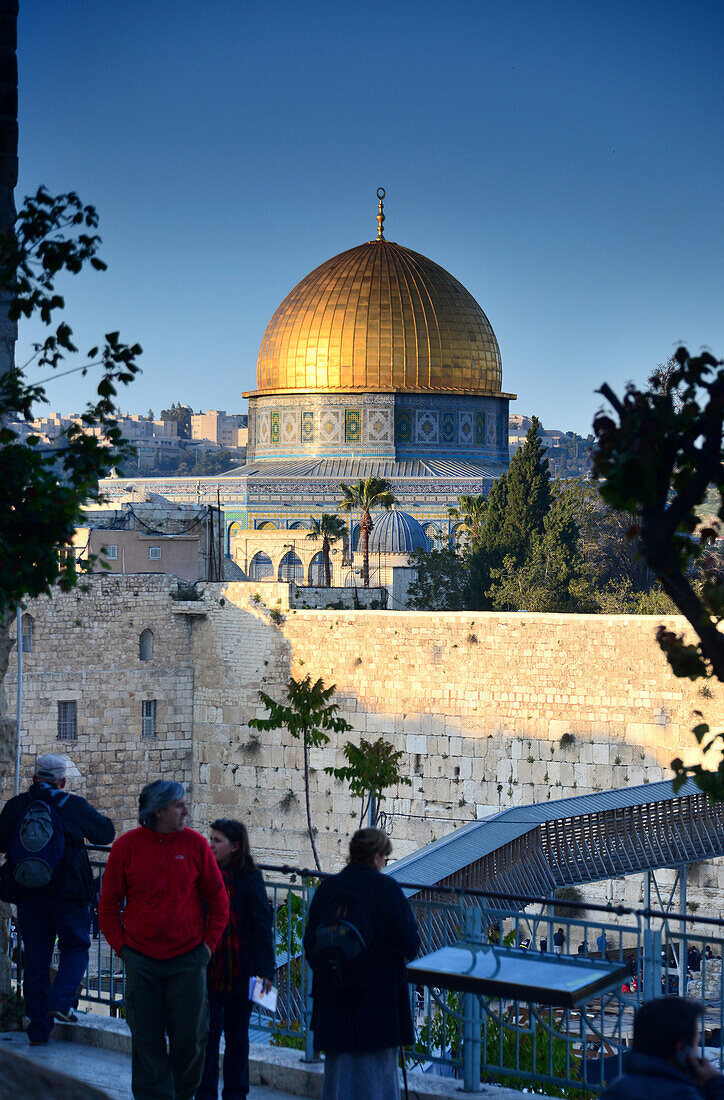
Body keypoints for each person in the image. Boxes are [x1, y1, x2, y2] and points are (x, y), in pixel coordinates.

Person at [98, 780, 229, 1100]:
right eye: (178, 805)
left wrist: (207, 948)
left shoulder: (196, 845)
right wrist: (123, 948)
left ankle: (182, 1094)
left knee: (192, 1038)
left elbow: (219, 900)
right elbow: (108, 904)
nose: (186, 810)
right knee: (146, 1038)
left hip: (188, 959)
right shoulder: (126, 847)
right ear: (158, 811)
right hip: (142, 959)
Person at [0, 753, 115, 1045]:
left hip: (29, 894)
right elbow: (105, 832)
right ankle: (62, 1002)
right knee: (76, 948)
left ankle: (38, 1031)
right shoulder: (72, 805)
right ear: (62, 781)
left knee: (36, 960)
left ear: (34, 778)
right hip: (70, 894)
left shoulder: (17, 806)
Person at [303, 828, 420, 1100]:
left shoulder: (329, 888)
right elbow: (409, 943)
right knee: (377, 1080)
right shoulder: (387, 890)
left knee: (337, 1079)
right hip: (378, 1004)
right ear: (377, 856)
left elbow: (310, 943)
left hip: (334, 999)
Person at [195, 819, 275, 1100]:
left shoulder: (250, 878)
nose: (211, 844)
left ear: (235, 845)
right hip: (210, 970)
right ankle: (205, 1093)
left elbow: (261, 925)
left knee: (238, 1039)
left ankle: (236, 1094)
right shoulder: (204, 874)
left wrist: (266, 970)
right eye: (211, 838)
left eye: (217, 840)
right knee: (207, 1037)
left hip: (243, 971)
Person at [601, 996, 724, 1099]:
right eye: (695, 1044)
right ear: (682, 1049)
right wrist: (715, 1083)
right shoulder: (682, 1095)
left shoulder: (614, 1091)